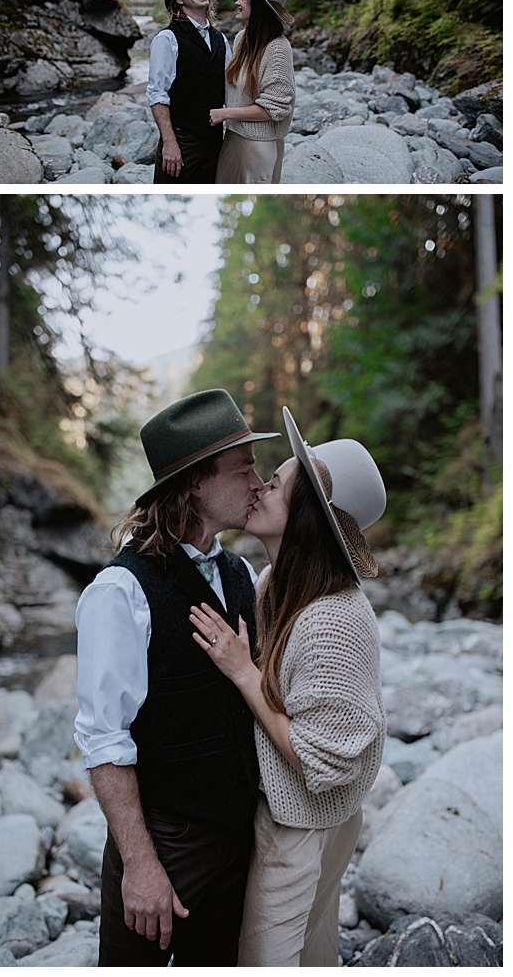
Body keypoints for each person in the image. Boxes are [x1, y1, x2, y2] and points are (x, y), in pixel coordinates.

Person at [74, 388, 278, 966]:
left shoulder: (239, 572)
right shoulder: (121, 592)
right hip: (166, 843)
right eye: (244, 470)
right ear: (194, 483)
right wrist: (140, 863)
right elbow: (104, 737)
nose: (258, 483)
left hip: (236, 841)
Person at [189, 407, 386, 966]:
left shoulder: (332, 621)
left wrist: (243, 671)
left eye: (275, 483)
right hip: (307, 815)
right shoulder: (276, 582)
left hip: (305, 821)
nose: (259, 487)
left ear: (306, 517)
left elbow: (316, 760)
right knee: (316, 953)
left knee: (265, 960)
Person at [210, 0, 297, 184]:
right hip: (233, 139)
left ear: (258, 7)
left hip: (258, 147)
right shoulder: (241, 38)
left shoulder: (278, 49)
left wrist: (225, 113)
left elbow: (274, 109)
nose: (237, 3)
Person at [148, 0, 232, 183]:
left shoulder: (220, 39)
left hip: (214, 143)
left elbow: (232, 85)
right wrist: (170, 143)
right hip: (181, 144)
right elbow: (158, 95)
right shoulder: (167, 39)